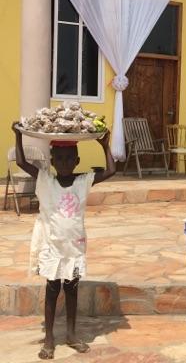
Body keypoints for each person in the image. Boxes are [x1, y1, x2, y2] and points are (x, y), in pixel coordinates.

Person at [11, 124, 116, 360]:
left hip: (74, 246)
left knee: (71, 290)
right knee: (51, 290)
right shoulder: (45, 179)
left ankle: (71, 333)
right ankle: (49, 338)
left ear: (77, 160)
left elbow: (111, 170)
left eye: (70, 158)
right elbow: (21, 163)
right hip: (52, 246)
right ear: (52, 160)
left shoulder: (84, 181)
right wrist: (18, 136)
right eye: (60, 158)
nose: (65, 162)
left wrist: (105, 146)